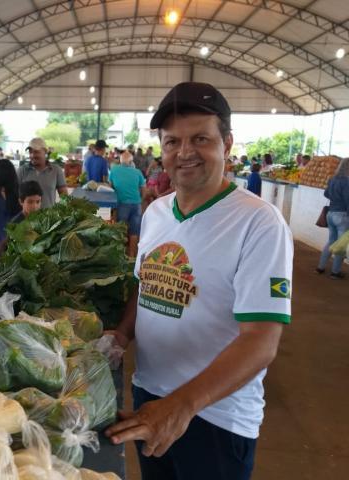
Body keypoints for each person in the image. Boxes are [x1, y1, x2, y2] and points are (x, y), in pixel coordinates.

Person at [105, 81, 293, 480]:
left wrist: (182, 406)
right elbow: (146, 285)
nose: (184, 152)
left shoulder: (257, 222)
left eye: (200, 139)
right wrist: (121, 334)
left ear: (227, 143)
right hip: (149, 399)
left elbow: (261, 339)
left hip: (214, 415)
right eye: (172, 141)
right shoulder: (156, 213)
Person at [316, 157, 349, 279]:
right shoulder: (347, 181)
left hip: (330, 213)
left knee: (331, 241)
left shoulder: (332, 179)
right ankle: (335, 272)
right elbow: (348, 200)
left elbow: (326, 194)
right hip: (343, 216)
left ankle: (320, 267)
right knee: (340, 245)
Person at [109, 151, 146, 257]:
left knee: (120, 230)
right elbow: (144, 190)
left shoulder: (114, 170)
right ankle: (131, 254)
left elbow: (111, 187)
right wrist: (141, 201)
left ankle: (120, 255)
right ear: (131, 161)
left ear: (120, 161)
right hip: (136, 204)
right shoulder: (138, 172)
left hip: (121, 204)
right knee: (134, 231)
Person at [17, 137, 67, 208]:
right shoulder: (22, 171)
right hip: (27, 218)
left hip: (48, 217)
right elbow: (15, 194)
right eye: (30, 152)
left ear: (45, 152)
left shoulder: (56, 170)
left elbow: (64, 196)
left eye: (36, 152)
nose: (32, 155)